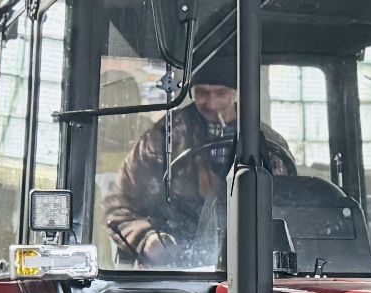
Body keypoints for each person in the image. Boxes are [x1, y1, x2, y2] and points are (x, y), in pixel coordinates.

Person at [103, 56, 297, 267]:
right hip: (173, 266)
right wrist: (147, 239)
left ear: (235, 92)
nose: (211, 103)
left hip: (254, 261)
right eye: (202, 93)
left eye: (220, 94)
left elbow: (290, 208)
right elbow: (118, 206)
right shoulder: (163, 137)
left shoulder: (268, 143)